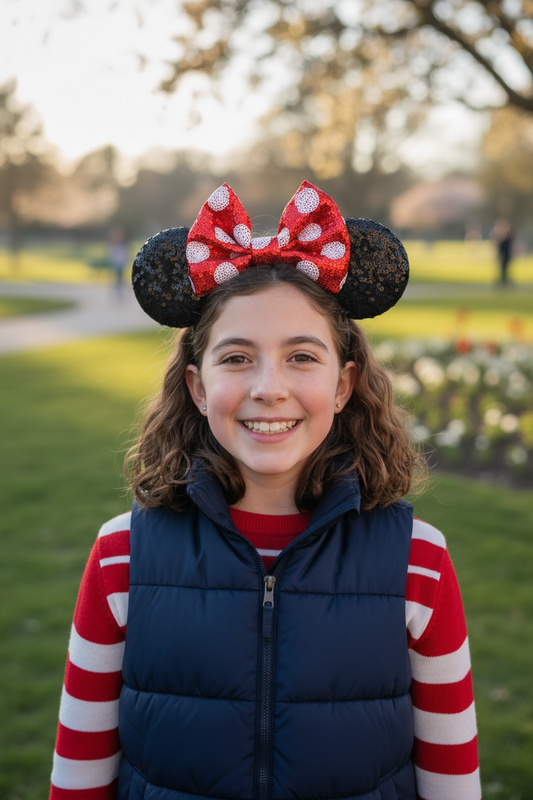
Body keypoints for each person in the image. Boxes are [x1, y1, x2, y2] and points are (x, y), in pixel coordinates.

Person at [50, 182, 481, 800]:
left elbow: (453, 782)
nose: (269, 388)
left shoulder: (420, 563)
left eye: (302, 356)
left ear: (343, 385)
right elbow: (78, 779)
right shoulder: (121, 558)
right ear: (198, 389)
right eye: (236, 358)